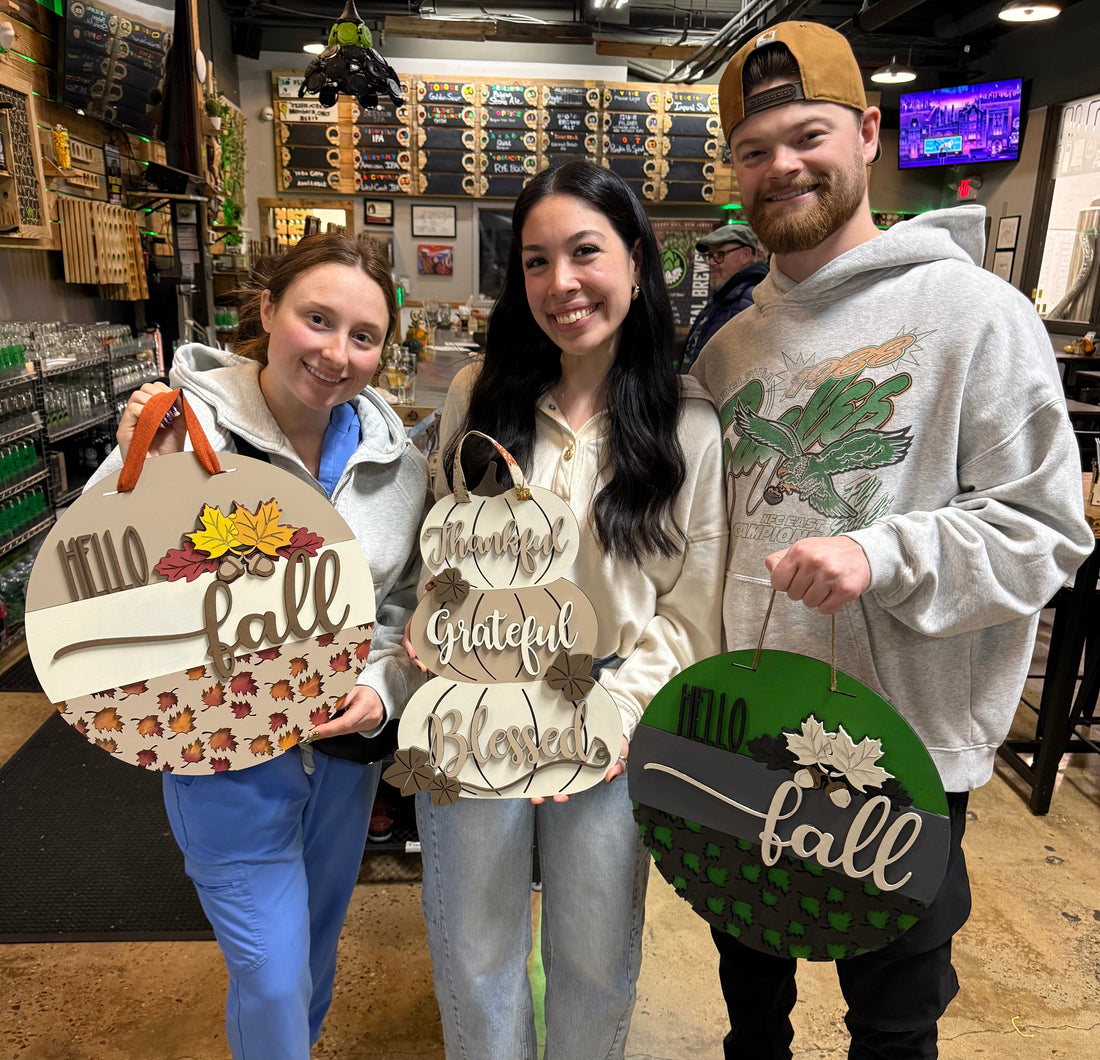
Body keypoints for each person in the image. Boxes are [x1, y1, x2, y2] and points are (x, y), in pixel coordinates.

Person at [690, 20, 1094, 1060]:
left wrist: (882, 553)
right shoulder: (727, 349)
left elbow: (1044, 530)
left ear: (867, 133)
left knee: (892, 1024)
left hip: (896, 750)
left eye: (807, 136)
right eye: (753, 149)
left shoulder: (976, 316)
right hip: (740, 728)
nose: (781, 166)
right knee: (750, 1008)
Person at [87, 233, 429, 1060]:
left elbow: (403, 601)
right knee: (272, 978)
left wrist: (383, 685)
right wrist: (143, 477)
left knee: (309, 958)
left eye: (363, 336)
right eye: (318, 319)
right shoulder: (184, 426)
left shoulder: (398, 463)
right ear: (268, 309)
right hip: (224, 757)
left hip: (341, 764)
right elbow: (91, 570)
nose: (336, 353)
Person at [414, 159, 727, 1060]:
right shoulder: (479, 395)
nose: (562, 283)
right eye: (536, 261)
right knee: (474, 951)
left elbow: (691, 614)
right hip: (477, 705)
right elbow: (444, 548)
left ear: (635, 259)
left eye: (585, 252)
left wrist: (612, 712)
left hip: (612, 718)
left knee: (595, 956)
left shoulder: (686, 426)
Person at [678, 222, 767, 373]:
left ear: (745, 255)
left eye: (719, 255)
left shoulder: (752, 301)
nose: (711, 263)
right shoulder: (724, 297)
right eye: (709, 256)